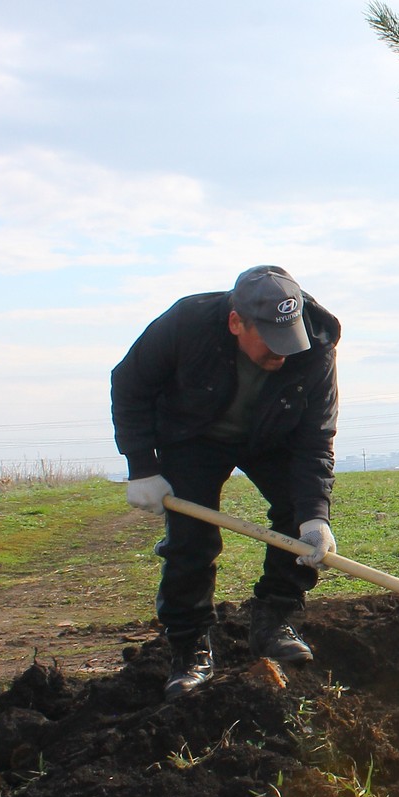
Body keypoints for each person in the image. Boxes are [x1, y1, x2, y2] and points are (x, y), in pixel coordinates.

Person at [111, 266, 341, 699]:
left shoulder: (317, 345)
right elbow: (129, 383)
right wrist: (141, 465)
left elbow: (316, 438)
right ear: (237, 323)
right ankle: (190, 645)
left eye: (289, 339)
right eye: (271, 341)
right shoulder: (186, 323)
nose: (284, 354)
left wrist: (315, 516)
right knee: (192, 539)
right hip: (193, 435)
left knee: (297, 514)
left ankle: (275, 618)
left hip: (274, 437)